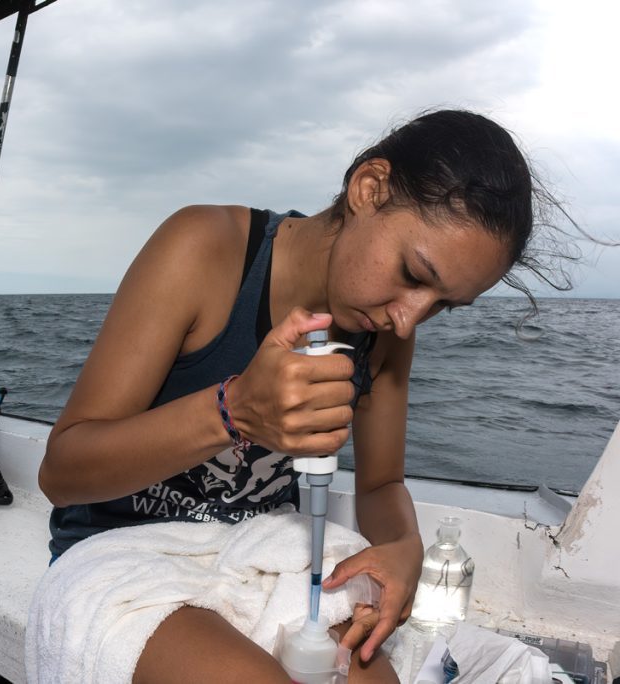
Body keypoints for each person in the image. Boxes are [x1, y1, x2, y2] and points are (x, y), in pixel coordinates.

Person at [38, 109, 550, 681]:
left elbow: (381, 485)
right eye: (412, 273)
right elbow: (63, 472)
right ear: (368, 188)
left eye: (443, 306)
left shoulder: (381, 328)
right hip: (122, 554)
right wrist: (234, 411)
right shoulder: (205, 248)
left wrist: (405, 544)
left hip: (264, 556)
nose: (409, 321)